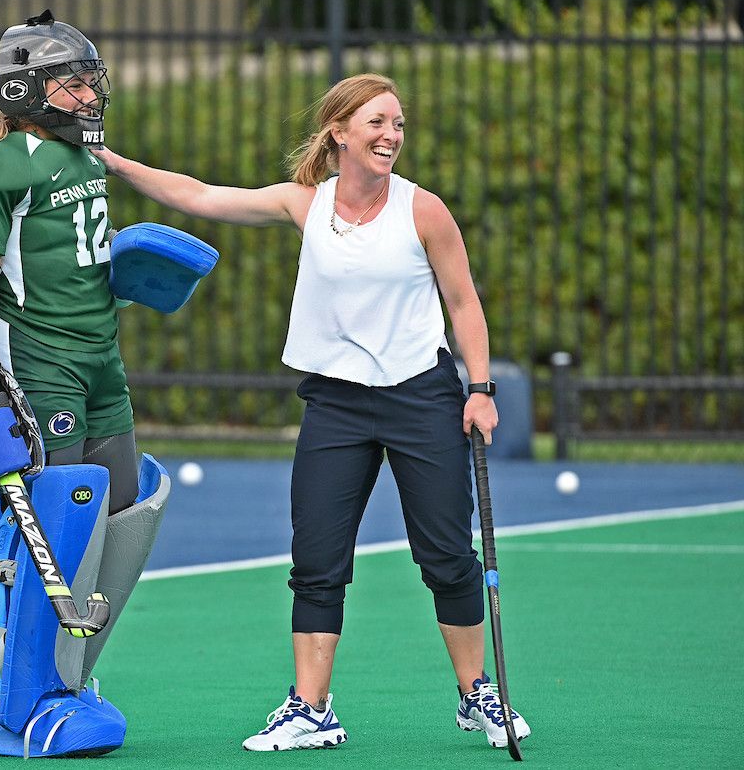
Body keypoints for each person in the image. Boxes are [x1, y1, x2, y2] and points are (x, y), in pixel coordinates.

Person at [91, 73, 531, 751]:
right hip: (336, 402)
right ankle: (310, 706)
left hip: (421, 395)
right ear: (340, 132)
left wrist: (480, 388)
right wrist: (118, 165)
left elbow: (463, 302)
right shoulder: (306, 203)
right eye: (378, 123)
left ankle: (477, 695)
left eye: (398, 124)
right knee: (317, 557)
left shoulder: (423, 211)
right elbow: (203, 196)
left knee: (445, 554)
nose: (391, 135)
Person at [0, 10, 171, 757]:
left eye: (88, 78)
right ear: (24, 87)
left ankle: (66, 674)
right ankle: (16, 701)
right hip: (41, 359)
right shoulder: (2, 163)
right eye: (71, 81)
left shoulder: (86, 156)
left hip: (102, 357)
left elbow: (73, 258)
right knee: (59, 510)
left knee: (124, 500)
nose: (87, 92)